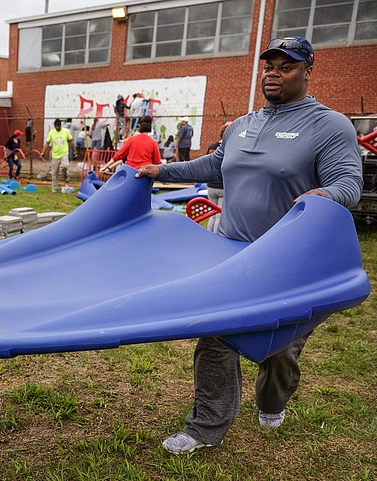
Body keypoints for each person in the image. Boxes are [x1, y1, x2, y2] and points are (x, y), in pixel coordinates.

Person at [135, 36, 362, 454]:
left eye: (286, 66)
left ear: (307, 71)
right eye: (269, 66)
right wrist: (159, 169)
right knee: (216, 338)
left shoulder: (329, 125)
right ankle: (206, 427)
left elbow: (348, 183)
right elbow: (215, 167)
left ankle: (273, 400)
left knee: (278, 350)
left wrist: (325, 195)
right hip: (234, 256)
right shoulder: (242, 125)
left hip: (292, 263)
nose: (273, 73)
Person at [204, 121, 231, 233]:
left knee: (212, 215)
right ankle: (215, 237)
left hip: (211, 185)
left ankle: (209, 234)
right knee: (219, 215)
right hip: (223, 186)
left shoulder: (212, 147)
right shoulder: (229, 148)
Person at [41, 118, 76, 192]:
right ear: (54, 126)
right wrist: (43, 152)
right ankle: (54, 189)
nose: (57, 128)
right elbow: (47, 143)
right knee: (54, 173)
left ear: (61, 126)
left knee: (65, 166)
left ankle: (65, 175)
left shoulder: (66, 131)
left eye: (58, 126)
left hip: (64, 153)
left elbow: (71, 141)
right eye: (56, 126)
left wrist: (75, 151)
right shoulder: (51, 133)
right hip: (55, 155)